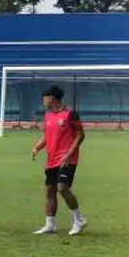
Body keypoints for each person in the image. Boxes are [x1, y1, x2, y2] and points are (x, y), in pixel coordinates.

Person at [31, 85, 88, 235]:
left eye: (45, 97)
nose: (43, 100)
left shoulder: (70, 114)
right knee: (50, 191)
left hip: (67, 158)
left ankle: (79, 219)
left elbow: (80, 134)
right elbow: (47, 136)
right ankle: (50, 225)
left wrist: (69, 153)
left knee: (63, 188)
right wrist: (37, 147)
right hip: (52, 158)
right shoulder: (48, 115)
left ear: (52, 98)